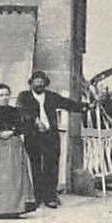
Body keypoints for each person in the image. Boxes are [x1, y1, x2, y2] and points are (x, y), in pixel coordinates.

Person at [16, 70, 83, 208]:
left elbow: (68, 104)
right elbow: (22, 111)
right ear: (31, 82)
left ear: (45, 83)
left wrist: (87, 106)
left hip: (50, 135)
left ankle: (50, 196)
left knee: (51, 165)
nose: (39, 83)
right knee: (35, 165)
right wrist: (35, 120)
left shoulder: (52, 97)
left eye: (42, 81)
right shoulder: (24, 96)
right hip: (33, 135)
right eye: (36, 80)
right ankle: (37, 196)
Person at [0, 83, 35, 217]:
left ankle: (13, 208)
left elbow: (25, 126)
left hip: (12, 145)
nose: (4, 97)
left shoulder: (16, 111)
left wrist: (12, 131)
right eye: (1, 95)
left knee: (12, 177)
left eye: (7, 94)